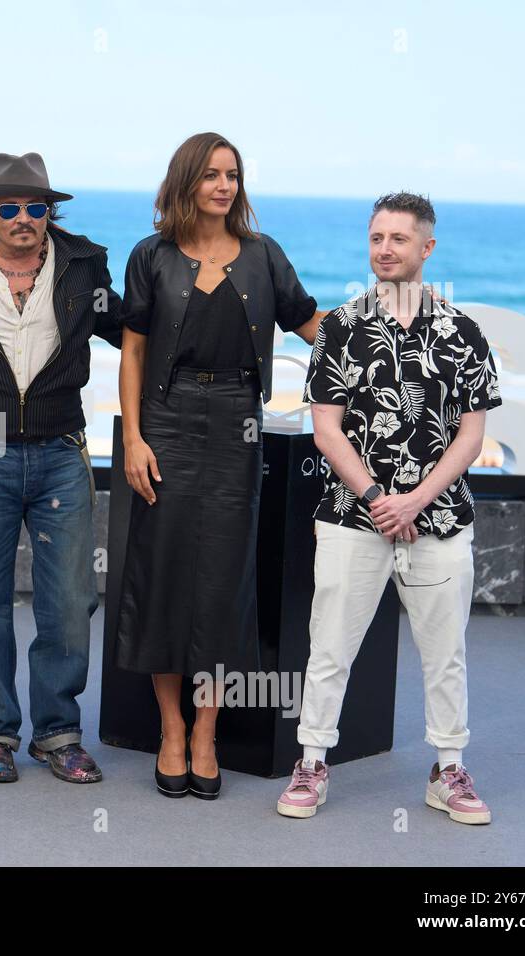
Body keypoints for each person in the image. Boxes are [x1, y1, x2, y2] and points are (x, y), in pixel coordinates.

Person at [115, 132, 327, 800]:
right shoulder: (150, 256)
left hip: (237, 424)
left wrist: (387, 330)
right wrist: (134, 440)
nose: (224, 185)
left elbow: (310, 322)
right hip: (169, 422)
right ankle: (171, 730)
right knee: (164, 579)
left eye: (232, 175)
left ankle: (207, 731)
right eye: (210, 174)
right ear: (186, 182)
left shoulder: (264, 257)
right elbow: (132, 353)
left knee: (222, 586)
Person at [277, 192, 499, 824]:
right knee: (329, 647)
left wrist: (416, 501)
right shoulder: (340, 328)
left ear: (426, 248)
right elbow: (326, 429)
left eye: (399, 239)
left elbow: (471, 435)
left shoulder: (465, 333)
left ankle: (448, 768)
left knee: (444, 650)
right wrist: (377, 498)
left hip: (441, 518)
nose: (384, 250)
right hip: (352, 517)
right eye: (377, 237)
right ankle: (312, 762)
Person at [0, 153, 122, 784]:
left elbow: (134, 329)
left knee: (69, 602)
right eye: (9, 207)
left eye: (36, 206)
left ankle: (58, 733)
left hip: (59, 450)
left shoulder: (82, 265)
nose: (23, 218)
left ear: (51, 212)